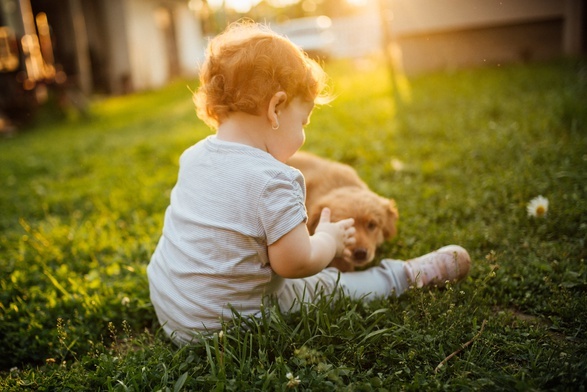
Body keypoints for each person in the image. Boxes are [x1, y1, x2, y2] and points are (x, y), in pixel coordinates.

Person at [147, 21, 471, 345]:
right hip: (227, 324)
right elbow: (296, 263)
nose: (303, 134)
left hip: (171, 307)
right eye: (303, 121)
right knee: (326, 286)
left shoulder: (193, 156)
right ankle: (403, 276)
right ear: (275, 108)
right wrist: (328, 239)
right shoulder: (274, 179)